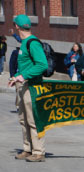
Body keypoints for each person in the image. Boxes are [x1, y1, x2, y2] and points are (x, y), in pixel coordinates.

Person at [8, 15, 48, 162]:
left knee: (33, 120)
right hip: (22, 84)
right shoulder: (25, 42)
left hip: (32, 86)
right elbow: (25, 66)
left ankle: (38, 152)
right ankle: (28, 149)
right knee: (23, 120)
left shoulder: (32, 43)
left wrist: (23, 76)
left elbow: (42, 65)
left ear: (17, 27)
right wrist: (15, 77)